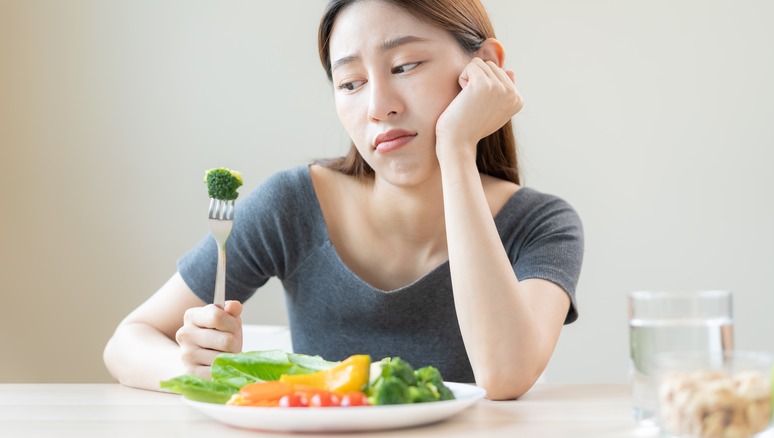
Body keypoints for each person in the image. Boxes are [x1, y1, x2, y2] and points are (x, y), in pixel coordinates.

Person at [103, 0, 584, 401]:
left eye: (404, 66)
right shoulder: (291, 205)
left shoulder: (541, 224)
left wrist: (457, 149)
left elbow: (504, 377)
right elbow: (127, 342)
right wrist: (203, 368)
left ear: (486, 68)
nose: (378, 107)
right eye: (351, 83)